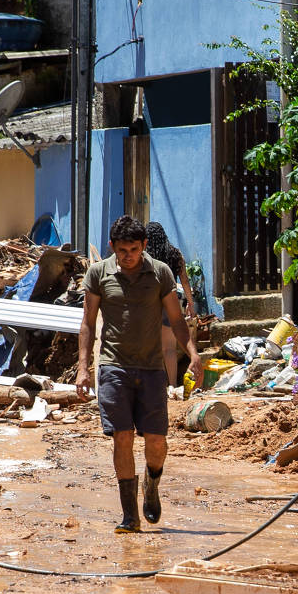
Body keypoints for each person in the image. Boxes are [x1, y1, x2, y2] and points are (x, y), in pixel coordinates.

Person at [79, 214, 191, 533]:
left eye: (134, 249)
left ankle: (151, 484)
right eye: (122, 250)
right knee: (122, 437)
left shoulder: (160, 273)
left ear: (143, 246)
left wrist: (193, 354)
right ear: (112, 246)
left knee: (156, 442)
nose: (128, 256)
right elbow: (87, 323)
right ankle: (130, 516)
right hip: (114, 367)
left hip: (152, 369)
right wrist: (83, 368)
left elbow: (177, 319)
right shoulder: (99, 274)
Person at [142, 220, 196, 318]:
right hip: (170, 301)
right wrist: (191, 304)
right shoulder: (176, 254)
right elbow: (185, 281)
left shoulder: (144, 257)